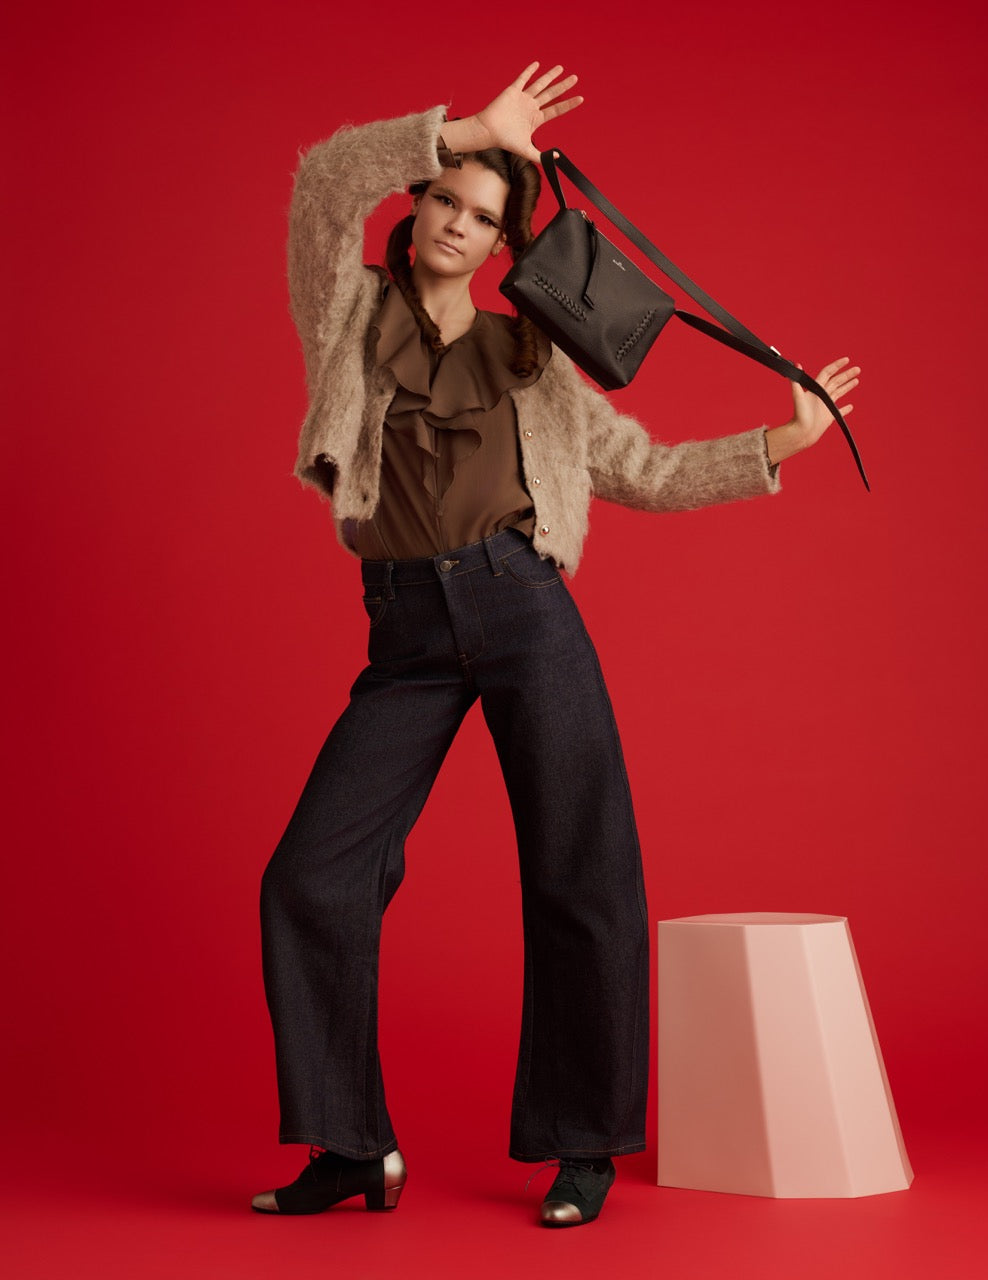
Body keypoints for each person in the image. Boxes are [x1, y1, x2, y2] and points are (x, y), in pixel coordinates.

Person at [252, 63, 859, 1227]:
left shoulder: (529, 356)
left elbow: (648, 471)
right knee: (312, 874)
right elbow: (322, 183)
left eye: (481, 215)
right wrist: (467, 129)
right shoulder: (346, 312)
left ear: (499, 245)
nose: (455, 222)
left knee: (581, 868)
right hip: (406, 628)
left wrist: (777, 444)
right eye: (444, 197)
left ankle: (581, 1143)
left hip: (523, 609)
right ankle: (350, 1142)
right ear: (416, 202)